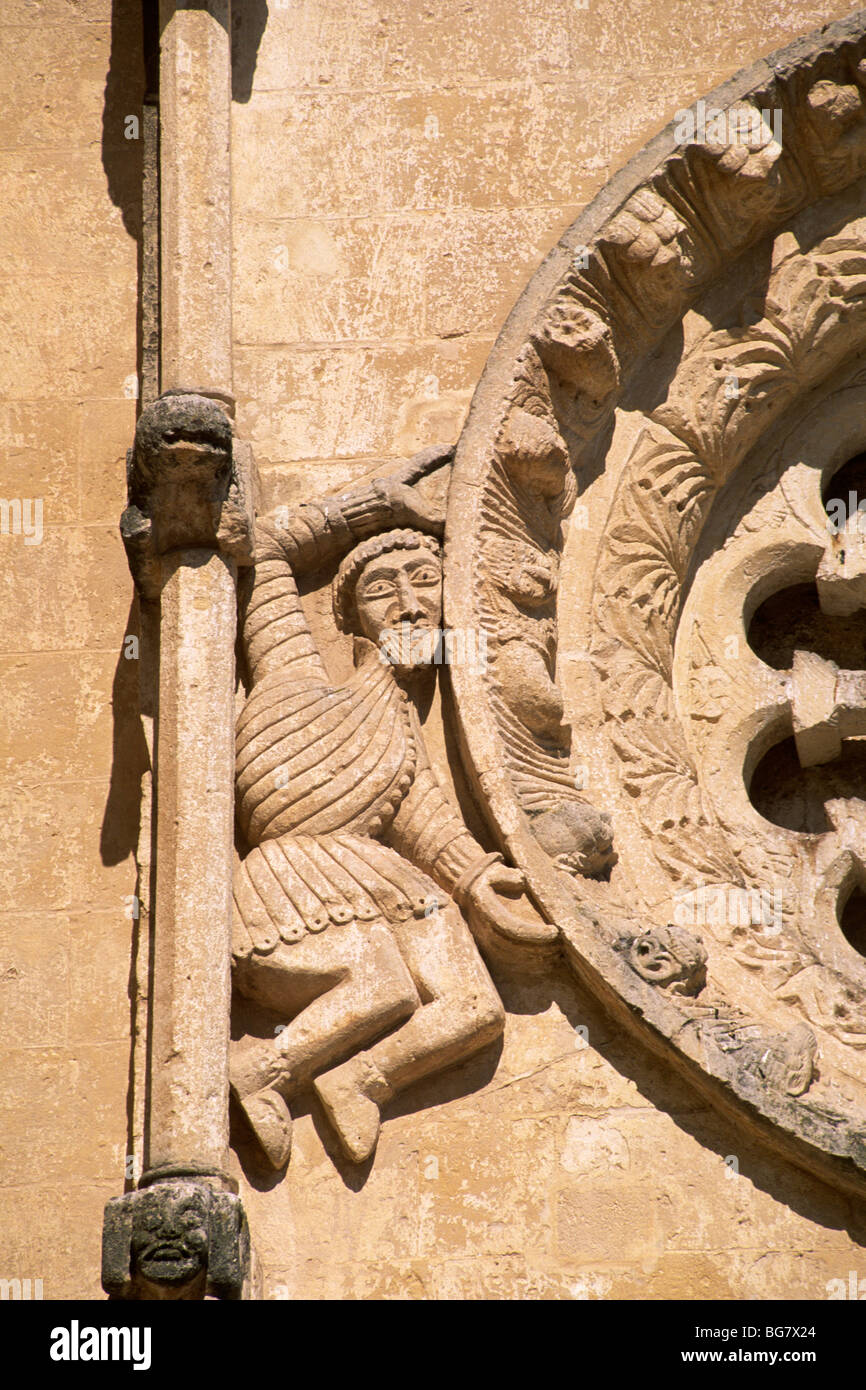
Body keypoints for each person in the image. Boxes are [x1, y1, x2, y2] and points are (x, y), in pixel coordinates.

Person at [230, 450, 547, 1167]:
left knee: (475, 1008)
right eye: (381, 588)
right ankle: (263, 1075)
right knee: (380, 977)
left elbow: (424, 819)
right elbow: (266, 550)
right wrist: (379, 505)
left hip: (372, 876)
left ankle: (361, 1081)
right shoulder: (297, 677)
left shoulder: (403, 734)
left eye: (425, 581)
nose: (407, 601)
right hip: (294, 880)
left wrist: (477, 883)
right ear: (351, 621)